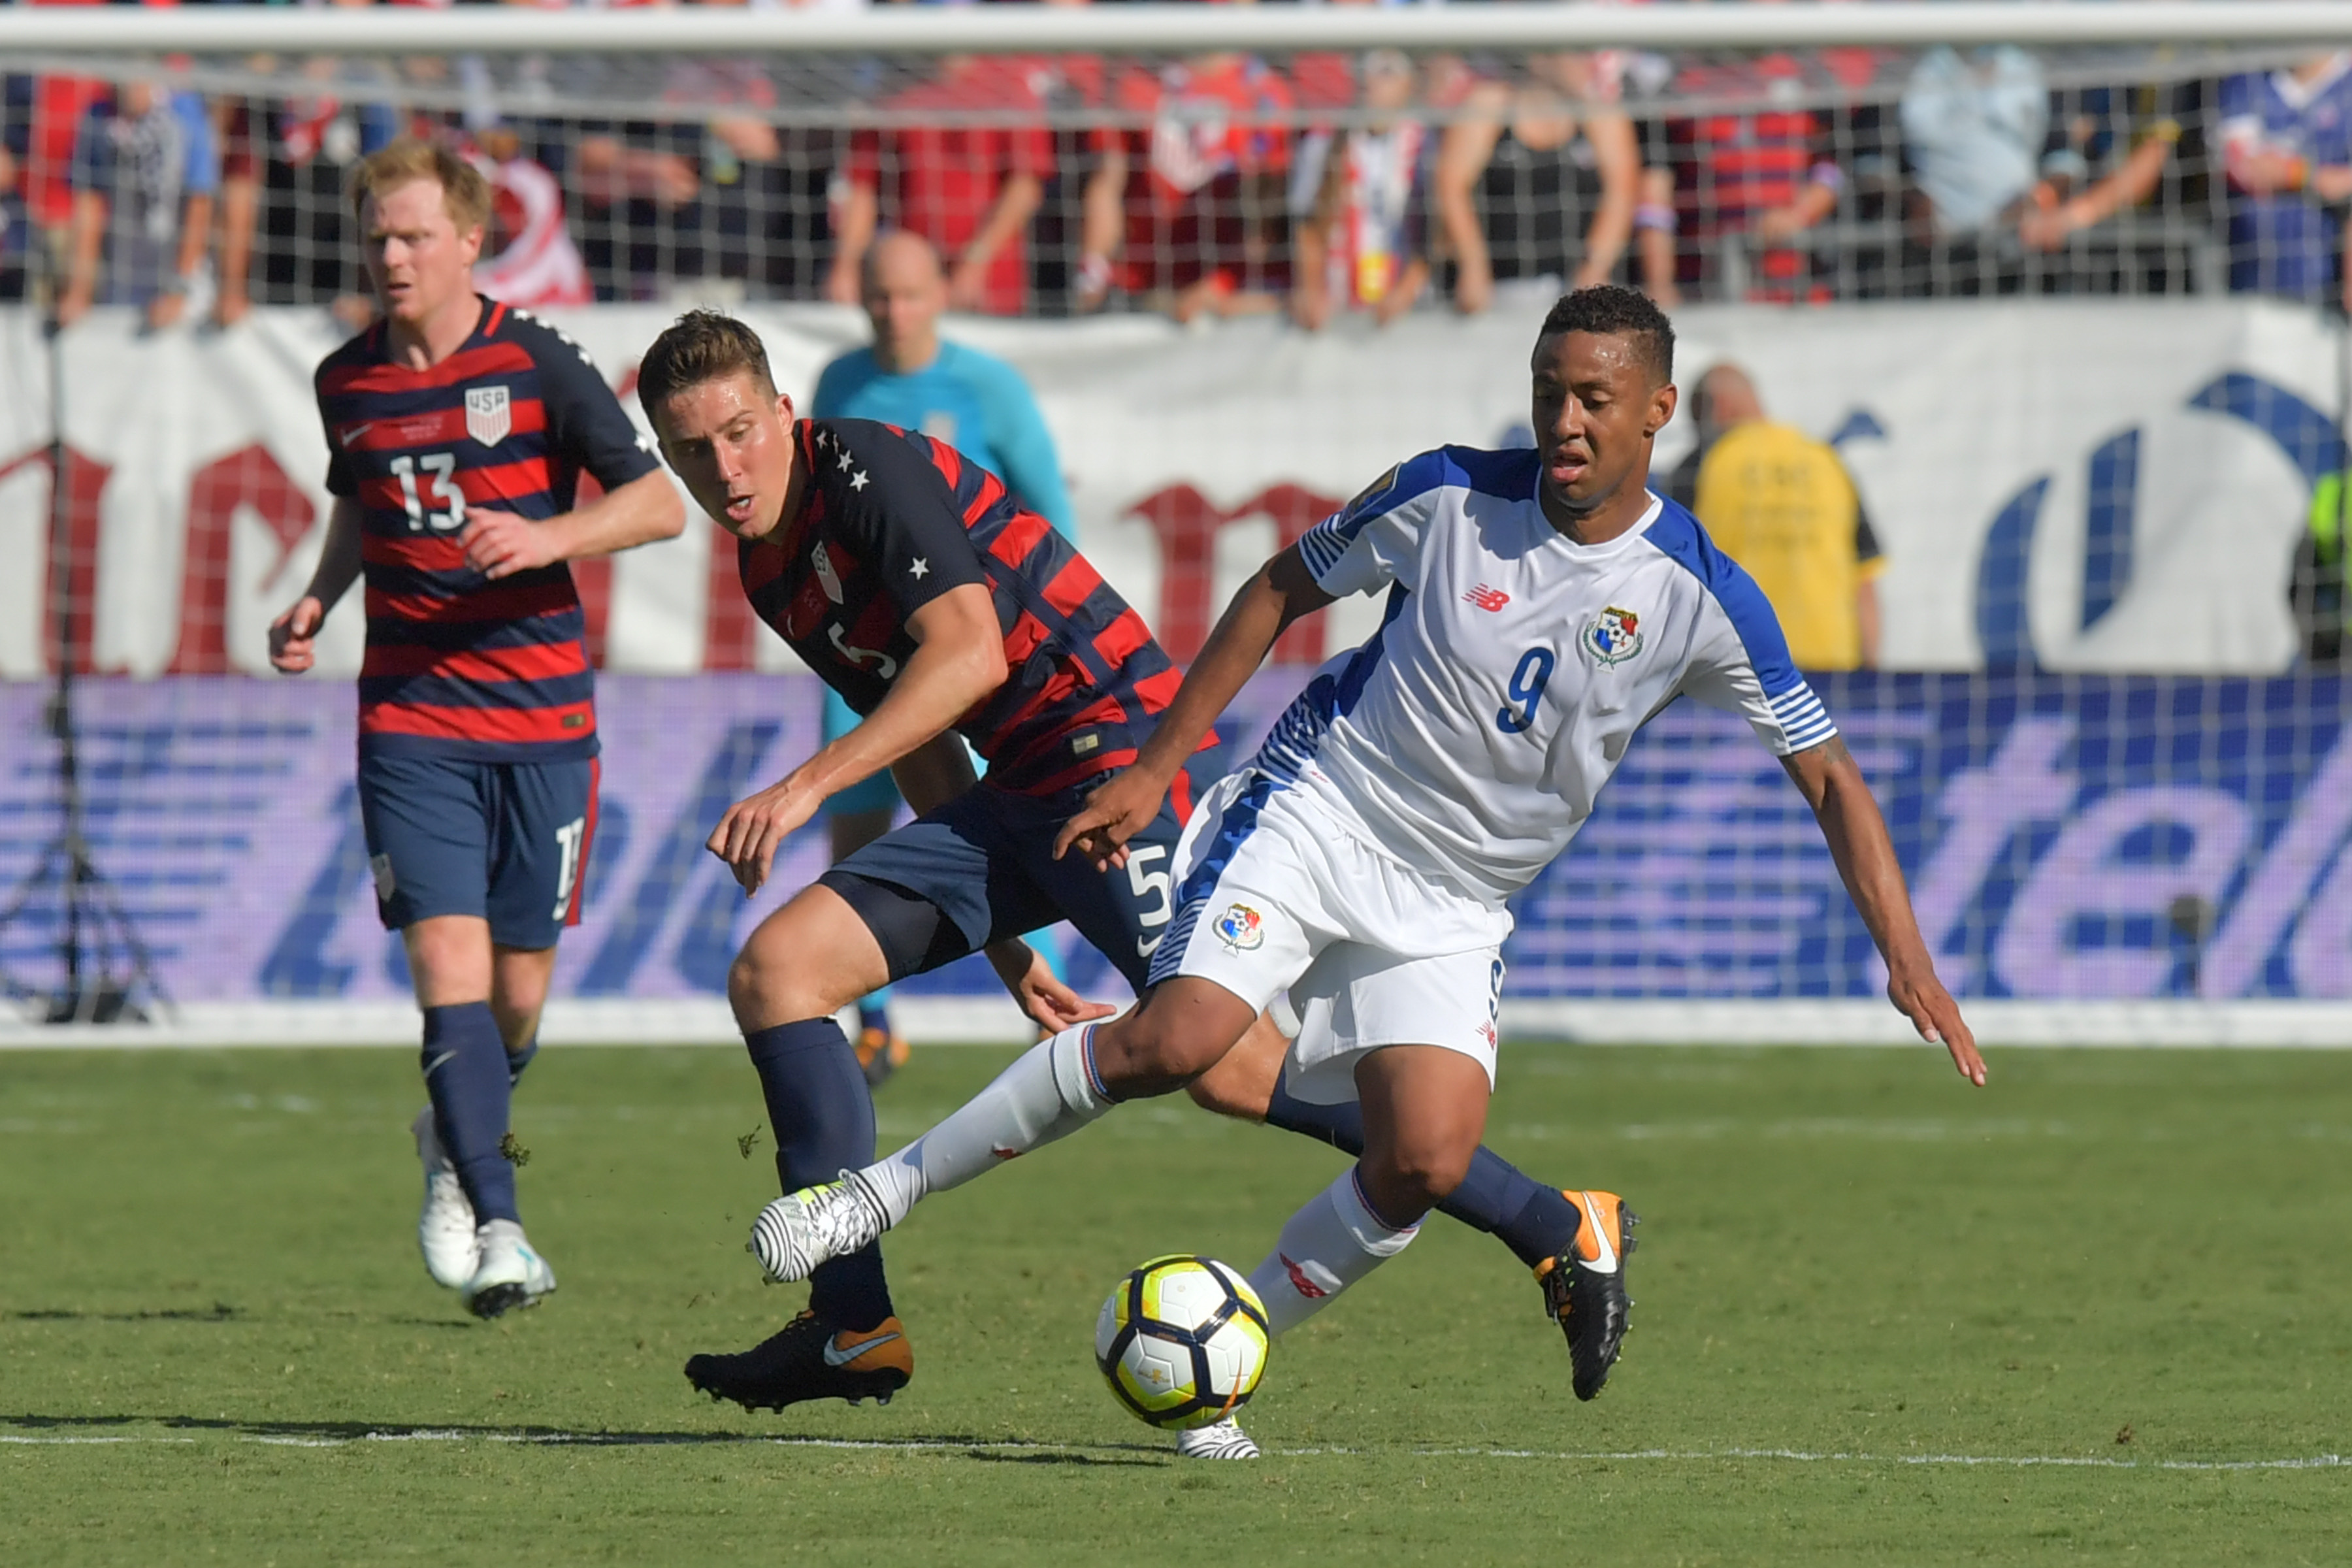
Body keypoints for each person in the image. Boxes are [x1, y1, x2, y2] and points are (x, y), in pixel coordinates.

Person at [746, 286, 1985, 1458]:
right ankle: (876, 1197)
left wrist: (1908, 959)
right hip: (1319, 810)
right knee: (1179, 1043)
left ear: (1658, 411)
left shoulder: (1700, 595)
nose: (1566, 419)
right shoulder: (1446, 493)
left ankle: (1226, 1371)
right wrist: (1156, 765)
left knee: (1423, 1162)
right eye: (1551, 390)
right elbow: (1278, 587)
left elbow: (1830, 776)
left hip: (1459, 901)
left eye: (1597, 399)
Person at [636, 310, 1628, 1441]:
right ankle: (851, 1321)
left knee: (1227, 1063)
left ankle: (1555, 1224)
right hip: (1010, 799)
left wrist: (803, 788)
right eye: (691, 453)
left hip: (1114, 761)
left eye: (737, 433)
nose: (724, 469)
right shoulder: (770, 565)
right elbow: (915, 728)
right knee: (778, 972)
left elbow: (969, 654)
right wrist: (1010, 950)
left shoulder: (862, 465)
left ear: (781, 414)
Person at [267, 140, 685, 1318]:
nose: (392, 256)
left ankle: (453, 1136)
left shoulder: (542, 362)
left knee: (518, 998)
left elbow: (658, 502)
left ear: (468, 242)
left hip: (543, 720)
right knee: (444, 971)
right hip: (408, 718)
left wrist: (547, 539)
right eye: (377, 238)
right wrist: (318, 599)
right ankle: (497, 1222)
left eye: (412, 236)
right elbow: (364, 503)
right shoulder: (347, 378)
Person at [809, 229, 1081, 1077]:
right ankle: (876, 1018)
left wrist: (1030, 626)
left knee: (1007, 818)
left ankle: (1053, 1002)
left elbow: (1050, 515)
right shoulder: (839, 383)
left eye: (910, 295)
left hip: (969, 649)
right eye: (879, 296)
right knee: (854, 819)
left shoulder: (989, 390)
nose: (894, 313)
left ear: (942, 294)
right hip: (862, 650)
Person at [1676, 364, 1884, 671]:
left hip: (1735, 669)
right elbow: (1864, 581)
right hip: (1831, 667)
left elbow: (1671, 579)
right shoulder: (1825, 461)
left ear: (1718, 408)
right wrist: (1870, 672)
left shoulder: (1699, 466)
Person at [828, 54, 1054, 317]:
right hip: (906, 285)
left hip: (990, 285)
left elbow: (1025, 187)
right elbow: (862, 186)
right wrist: (846, 266)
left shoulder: (1008, 85)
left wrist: (976, 262)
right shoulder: (893, 89)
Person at [1433, 52, 1642, 316]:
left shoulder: (1601, 116)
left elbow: (1622, 192)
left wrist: (1595, 268)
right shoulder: (1490, 105)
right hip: (1497, 287)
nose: (1587, 62)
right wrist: (1473, 265)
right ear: (1539, 58)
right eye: (1576, 52)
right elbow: (1451, 187)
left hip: (1573, 290)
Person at [56, 75, 219, 331]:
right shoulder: (98, 117)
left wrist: (179, 290)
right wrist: (79, 290)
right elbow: (89, 207)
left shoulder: (186, 112)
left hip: (181, 288)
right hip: (120, 281)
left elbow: (200, 204)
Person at [1288, 50, 1432, 333]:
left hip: (1410, 310)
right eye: (1365, 71)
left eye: (1387, 72)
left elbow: (1436, 234)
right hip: (1340, 305)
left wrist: (1407, 289)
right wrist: (1312, 289)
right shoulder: (1324, 144)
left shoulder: (1426, 145)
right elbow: (1308, 227)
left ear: (1410, 85)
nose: (1372, 82)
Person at [2219, 52, 2352, 310]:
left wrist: (2290, 171)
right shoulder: (2245, 82)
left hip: (2334, 285)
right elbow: (2245, 168)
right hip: (2252, 279)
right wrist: (2314, 176)